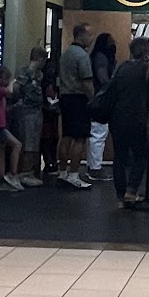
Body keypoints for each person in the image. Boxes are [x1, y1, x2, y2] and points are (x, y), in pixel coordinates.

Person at [108, 36, 149, 209]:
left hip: (117, 117)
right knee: (141, 154)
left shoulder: (121, 67)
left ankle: (120, 194)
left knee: (120, 156)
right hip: (137, 117)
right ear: (147, 51)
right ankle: (131, 190)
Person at [57, 22, 95, 187]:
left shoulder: (66, 54)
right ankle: (74, 175)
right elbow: (87, 82)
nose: (91, 38)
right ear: (81, 35)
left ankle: (62, 172)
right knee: (80, 138)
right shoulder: (82, 56)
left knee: (66, 136)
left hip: (65, 98)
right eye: (89, 34)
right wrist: (94, 100)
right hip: (79, 99)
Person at [12, 45, 48, 186]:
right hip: (28, 111)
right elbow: (16, 87)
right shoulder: (26, 72)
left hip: (36, 110)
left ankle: (30, 171)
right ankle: (25, 172)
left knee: (33, 141)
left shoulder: (39, 74)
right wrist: (21, 99)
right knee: (29, 142)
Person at [0, 65, 22, 191]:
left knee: (0, 151)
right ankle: (13, 174)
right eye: (6, 79)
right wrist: (12, 82)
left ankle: (2, 180)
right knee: (17, 145)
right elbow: (10, 92)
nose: (7, 82)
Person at [86, 31, 117, 175]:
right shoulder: (101, 58)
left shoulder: (96, 56)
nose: (114, 44)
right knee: (98, 134)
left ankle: (93, 165)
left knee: (96, 134)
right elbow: (103, 78)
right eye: (111, 41)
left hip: (96, 98)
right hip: (100, 100)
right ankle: (95, 168)